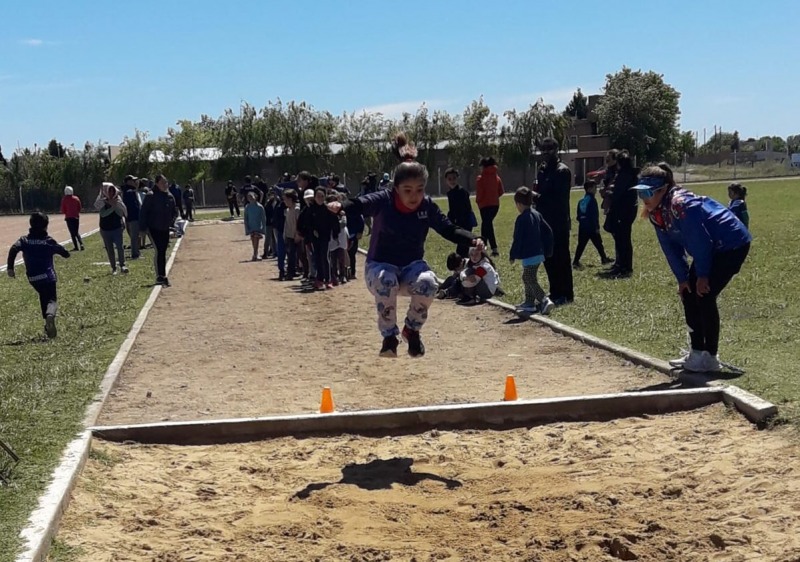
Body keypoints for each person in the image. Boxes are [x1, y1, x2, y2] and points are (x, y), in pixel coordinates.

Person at [328, 133, 480, 358]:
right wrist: (340, 206)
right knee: (387, 279)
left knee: (429, 282)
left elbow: (448, 229)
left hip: (411, 269)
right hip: (379, 268)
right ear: (396, 188)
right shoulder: (384, 200)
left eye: (419, 189)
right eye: (407, 190)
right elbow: (360, 204)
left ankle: (412, 330)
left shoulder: (426, 206)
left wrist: (472, 239)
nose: (414, 196)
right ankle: (389, 336)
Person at [634, 165, 752, 373]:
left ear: (663, 189)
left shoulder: (681, 205)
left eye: (648, 193)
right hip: (710, 248)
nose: (644, 198)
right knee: (689, 293)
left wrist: (703, 275)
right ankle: (696, 353)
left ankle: (710, 357)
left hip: (731, 245)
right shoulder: (656, 212)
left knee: (704, 295)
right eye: (640, 193)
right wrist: (683, 278)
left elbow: (700, 242)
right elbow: (670, 249)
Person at [6, 212, 70, 338]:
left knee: (42, 295)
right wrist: (66, 254)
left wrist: (10, 268)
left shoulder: (24, 240)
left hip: (33, 278)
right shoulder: (48, 241)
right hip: (48, 276)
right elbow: (63, 251)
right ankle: (50, 315)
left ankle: (47, 324)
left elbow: (13, 249)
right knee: (51, 300)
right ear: (46, 226)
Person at [535, 137, 573, 305]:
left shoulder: (562, 171)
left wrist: (536, 197)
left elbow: (558, 199)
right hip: (544, 220)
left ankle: (566, 293)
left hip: (558, 221)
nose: (545, 152)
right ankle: (555, 290)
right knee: (548, 258)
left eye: (549, 149)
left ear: (556, 150)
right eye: (543, 149)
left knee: (561, 258)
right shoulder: (542, 170)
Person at [510, 187, 555, 315]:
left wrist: (513, 254)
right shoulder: (537, 214)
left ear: (519, 204)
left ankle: (544, 300)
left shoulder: (521, 219)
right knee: (528, 277)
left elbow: (517, 238)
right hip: (538, 253)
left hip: (530, 254)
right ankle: (529, 303)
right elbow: (548, 231)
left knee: (528, 278)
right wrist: (548, 249)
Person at [603, 150, 639, 278]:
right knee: (621, 239)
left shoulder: (625, 175)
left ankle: (625, 267)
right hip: (624, 210)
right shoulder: (626, 173)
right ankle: (621, 265)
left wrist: (607, 193)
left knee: (623, 240)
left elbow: (618, 193)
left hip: (624, 211)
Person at [140, 174, 178, 287]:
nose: (165, 184)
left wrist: (171, 223)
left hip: (165, 228)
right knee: (159, 250)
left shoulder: (169, 196)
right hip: (153, 228)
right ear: (157, 183)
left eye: (166, 182)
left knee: (163, 250)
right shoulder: (150, 195)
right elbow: (143, 212)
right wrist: (142, 228)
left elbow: (174, 211)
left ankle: (162, 275)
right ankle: (160, 276)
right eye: (162, 182)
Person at [573, 180, 613, 268]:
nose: (596, 190)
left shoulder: (581, 201)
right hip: (591, 227)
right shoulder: (592, 200)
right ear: (589, 189)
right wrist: (597, 227)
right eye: (594, 188)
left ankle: (575, 261)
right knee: (598, 243)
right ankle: (604, 259)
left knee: (581, 245)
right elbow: (594, 215)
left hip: (583, 227)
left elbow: (578, 216)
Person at [308, 187, 340, 289]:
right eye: (318, 196)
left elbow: (335, 222)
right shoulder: (311, 209)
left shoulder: (328, 209)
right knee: (317, 257)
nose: (320, 198)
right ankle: (319, 279)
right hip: (315, 237)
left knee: (325, 257)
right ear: (314, 197)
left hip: (325, 236)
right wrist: (312, 230)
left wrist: (335, 234)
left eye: (322, 196)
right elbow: (308, 223)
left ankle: (328, 280)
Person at [95, 183, 128, 275]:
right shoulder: (102, 201)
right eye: (109, 191)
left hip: (117, 228)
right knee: (110, 249)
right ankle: (114, 268)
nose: (111, 193)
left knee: (120, 247)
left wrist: (114, 205)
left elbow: (121, 213)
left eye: (113, 191)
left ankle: (122, 265)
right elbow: (103, 214)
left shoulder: (118, 200)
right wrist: (112, 207)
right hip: (105, 229)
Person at [475, 156, 504, 257]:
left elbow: (480, 193)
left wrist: (478, 201)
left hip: (484, 205)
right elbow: (501, 191)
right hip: (495, 205)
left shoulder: (480, 179)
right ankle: (486, 247)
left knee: (487, 225)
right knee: (487, 225)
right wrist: (494, 197)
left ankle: (489, 247)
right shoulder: (497, 177)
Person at [445, 167, 475, 257]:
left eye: (454, 178)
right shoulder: (450, 193)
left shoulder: (462, 192)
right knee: (463, 245)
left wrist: (458, 222)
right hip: (458, 222)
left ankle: (466, 260)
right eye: (449, 179)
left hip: (465, 222)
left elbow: (466, 209)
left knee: (462, 247)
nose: (452, 181)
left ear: (457, 178)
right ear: (446, 180)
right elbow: (452, 209)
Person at [282, 189, 300, 281]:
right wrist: (285, 234)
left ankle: (291, 273)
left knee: (294, 255)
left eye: (285, 199)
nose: (284, 201)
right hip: (289, 235)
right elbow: (286, 223)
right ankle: (292, 271)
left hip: (295, 236)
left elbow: (298, 223)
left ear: (290, 199)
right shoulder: (288, 210)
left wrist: (297, 234)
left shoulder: (297, 209)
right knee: (290, 255)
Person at [121, 175, 142, 259]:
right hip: (133, 217)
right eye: (133, 180)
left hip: (130, 217)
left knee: (135, 236)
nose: (135, 182)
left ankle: (136, 252)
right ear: (128, 182)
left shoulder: (127, 191)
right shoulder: (130, 192)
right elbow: (133, 206)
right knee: (134, 236)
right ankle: (135, 254)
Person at [60, 185, 84, 251]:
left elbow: (63, 210)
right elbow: (79, 208)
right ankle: (81, 244)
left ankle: (76, 247)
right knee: (76, 232)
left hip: (69, 218)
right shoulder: (76, 198)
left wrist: (66, 213)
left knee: (72, 233)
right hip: (76, 217)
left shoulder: (64, 199)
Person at [244, 192, 267, 261]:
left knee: (256, 240)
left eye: (251, 197)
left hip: (258, 226)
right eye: (248, 197)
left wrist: (263, 227)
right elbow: (246, 218)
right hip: (251, 226)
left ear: (255, 197)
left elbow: (263, 218)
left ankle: (255, 254)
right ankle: (255, 254)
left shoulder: (260, 207)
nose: (250, 198)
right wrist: (246, 227)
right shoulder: (247, 207)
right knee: (253, 240)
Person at [346, 201, 365, 280]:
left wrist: (360, 232)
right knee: (343, 255)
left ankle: (352, 273)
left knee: (351, 254)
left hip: (353, 236)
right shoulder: (341, 212)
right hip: (344, 236)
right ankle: (344, 273)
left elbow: (361, 222)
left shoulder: (356, 212)